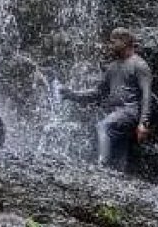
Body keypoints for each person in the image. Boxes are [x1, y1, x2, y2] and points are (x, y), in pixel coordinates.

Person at [60, 29, 153, 172]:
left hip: (129, 112)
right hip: (116, 113)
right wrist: (72, 95)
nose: (110, 46)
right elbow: (98, 92)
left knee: (103, 127)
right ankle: (118, 176)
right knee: (120, 154)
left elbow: (146, 95)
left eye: (113, 41)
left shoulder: (139, 65)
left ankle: (101, 167)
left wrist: (143, 123)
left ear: (124, 41)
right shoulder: (112, 67)